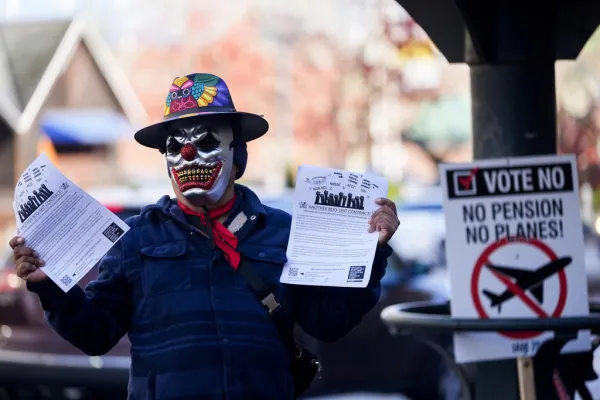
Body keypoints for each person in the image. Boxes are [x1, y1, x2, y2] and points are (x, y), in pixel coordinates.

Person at [9, 73, 400, 400]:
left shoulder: (282, 232)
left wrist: (370, 252)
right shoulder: (137, 240)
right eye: (175, 147)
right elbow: (95, 334)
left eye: (207, 142)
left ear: (238, 155)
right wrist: (50, 286)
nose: (190, 155)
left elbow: (328, 322)